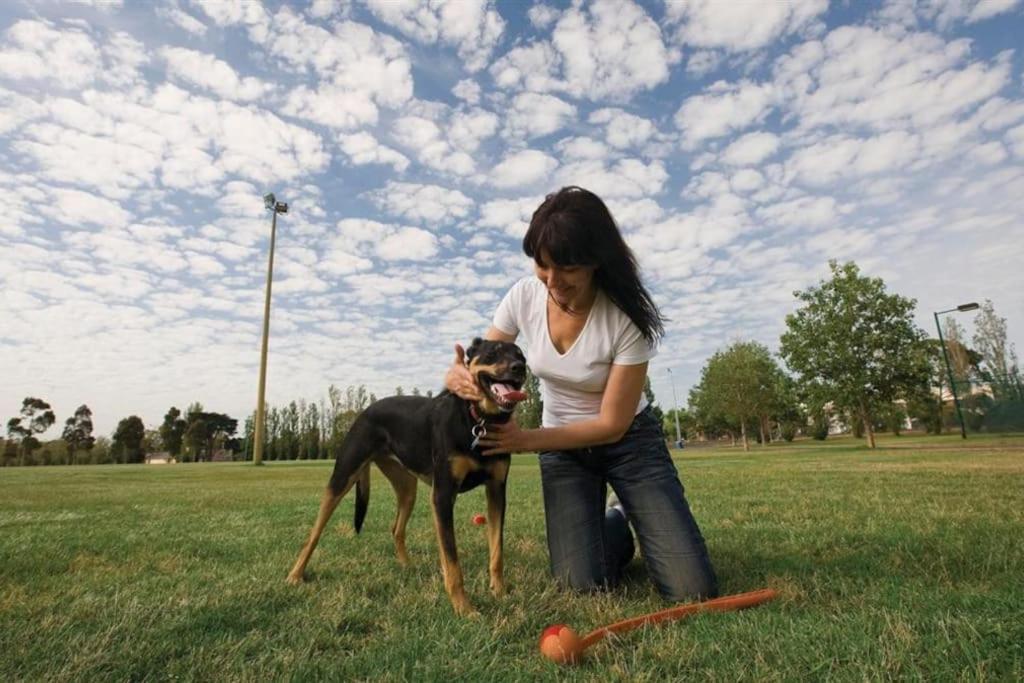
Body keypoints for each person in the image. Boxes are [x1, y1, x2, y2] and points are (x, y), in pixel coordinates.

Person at [445, 186, 718, 602]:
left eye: (566, 268)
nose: (552, 281)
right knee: (579, 585)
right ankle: (616, 523)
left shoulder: (626, 320)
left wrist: (524, 440)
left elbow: (611, 425)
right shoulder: (523, 296)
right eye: (542, 265)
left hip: (630, 444)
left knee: (691, 590)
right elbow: (485, 359)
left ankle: (638, 510)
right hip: (565, 451)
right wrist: (459, 375)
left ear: (595, 261)